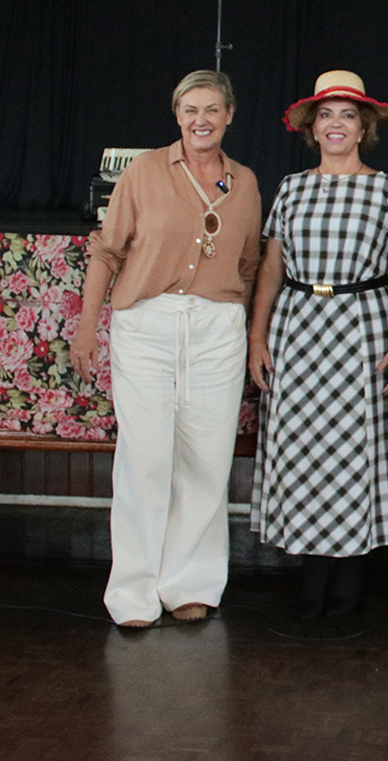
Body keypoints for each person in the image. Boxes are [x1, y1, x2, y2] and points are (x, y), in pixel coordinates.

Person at [71, 70, 261, 628]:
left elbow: (248, 264)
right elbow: (106, 253)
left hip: (216, 326)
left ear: (230, 115)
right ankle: (133, 593)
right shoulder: (144, 171)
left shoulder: (245, 182)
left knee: (205, 461)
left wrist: (242, 328)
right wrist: (88, 329)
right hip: (148, 324)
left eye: (211, 109)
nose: (200, 120)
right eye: (189, 110)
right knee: (145, 459)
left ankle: (190, 585)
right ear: (177, 116)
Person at [247, 70, 388, 619]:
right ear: (311, 128)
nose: (336, 124)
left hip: (363, 325)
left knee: (353, 450)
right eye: (326, 115)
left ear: (363, 127)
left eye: (348, 114)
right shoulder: (292, 188)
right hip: (298, 326)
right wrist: (258, 337)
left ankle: (349, 580)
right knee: (305, 451)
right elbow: (271, 269)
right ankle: (312, 576)